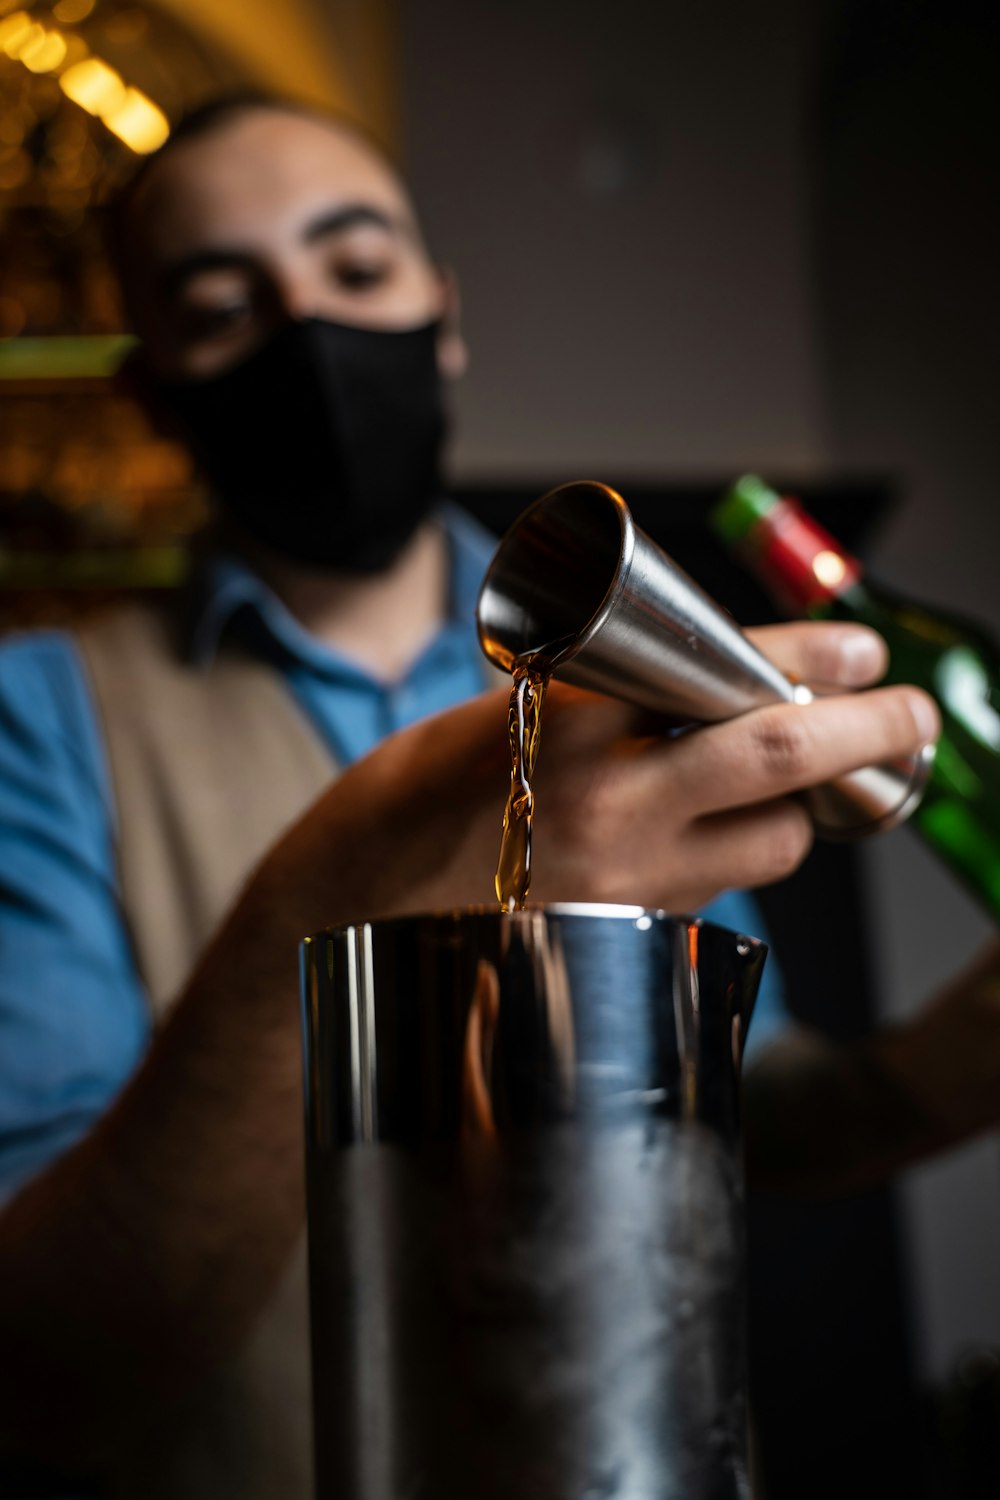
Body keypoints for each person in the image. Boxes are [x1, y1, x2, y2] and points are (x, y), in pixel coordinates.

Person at [0, 94, 992, 1496]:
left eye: (354, 272)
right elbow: (47, 1362)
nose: (311, 332)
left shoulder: (630, 674)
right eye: (227, 303)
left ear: (443, 315)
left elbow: (744, 1109)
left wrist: (957, 1058)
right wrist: (368, 885)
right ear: (154, 394)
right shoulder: (35, 720)